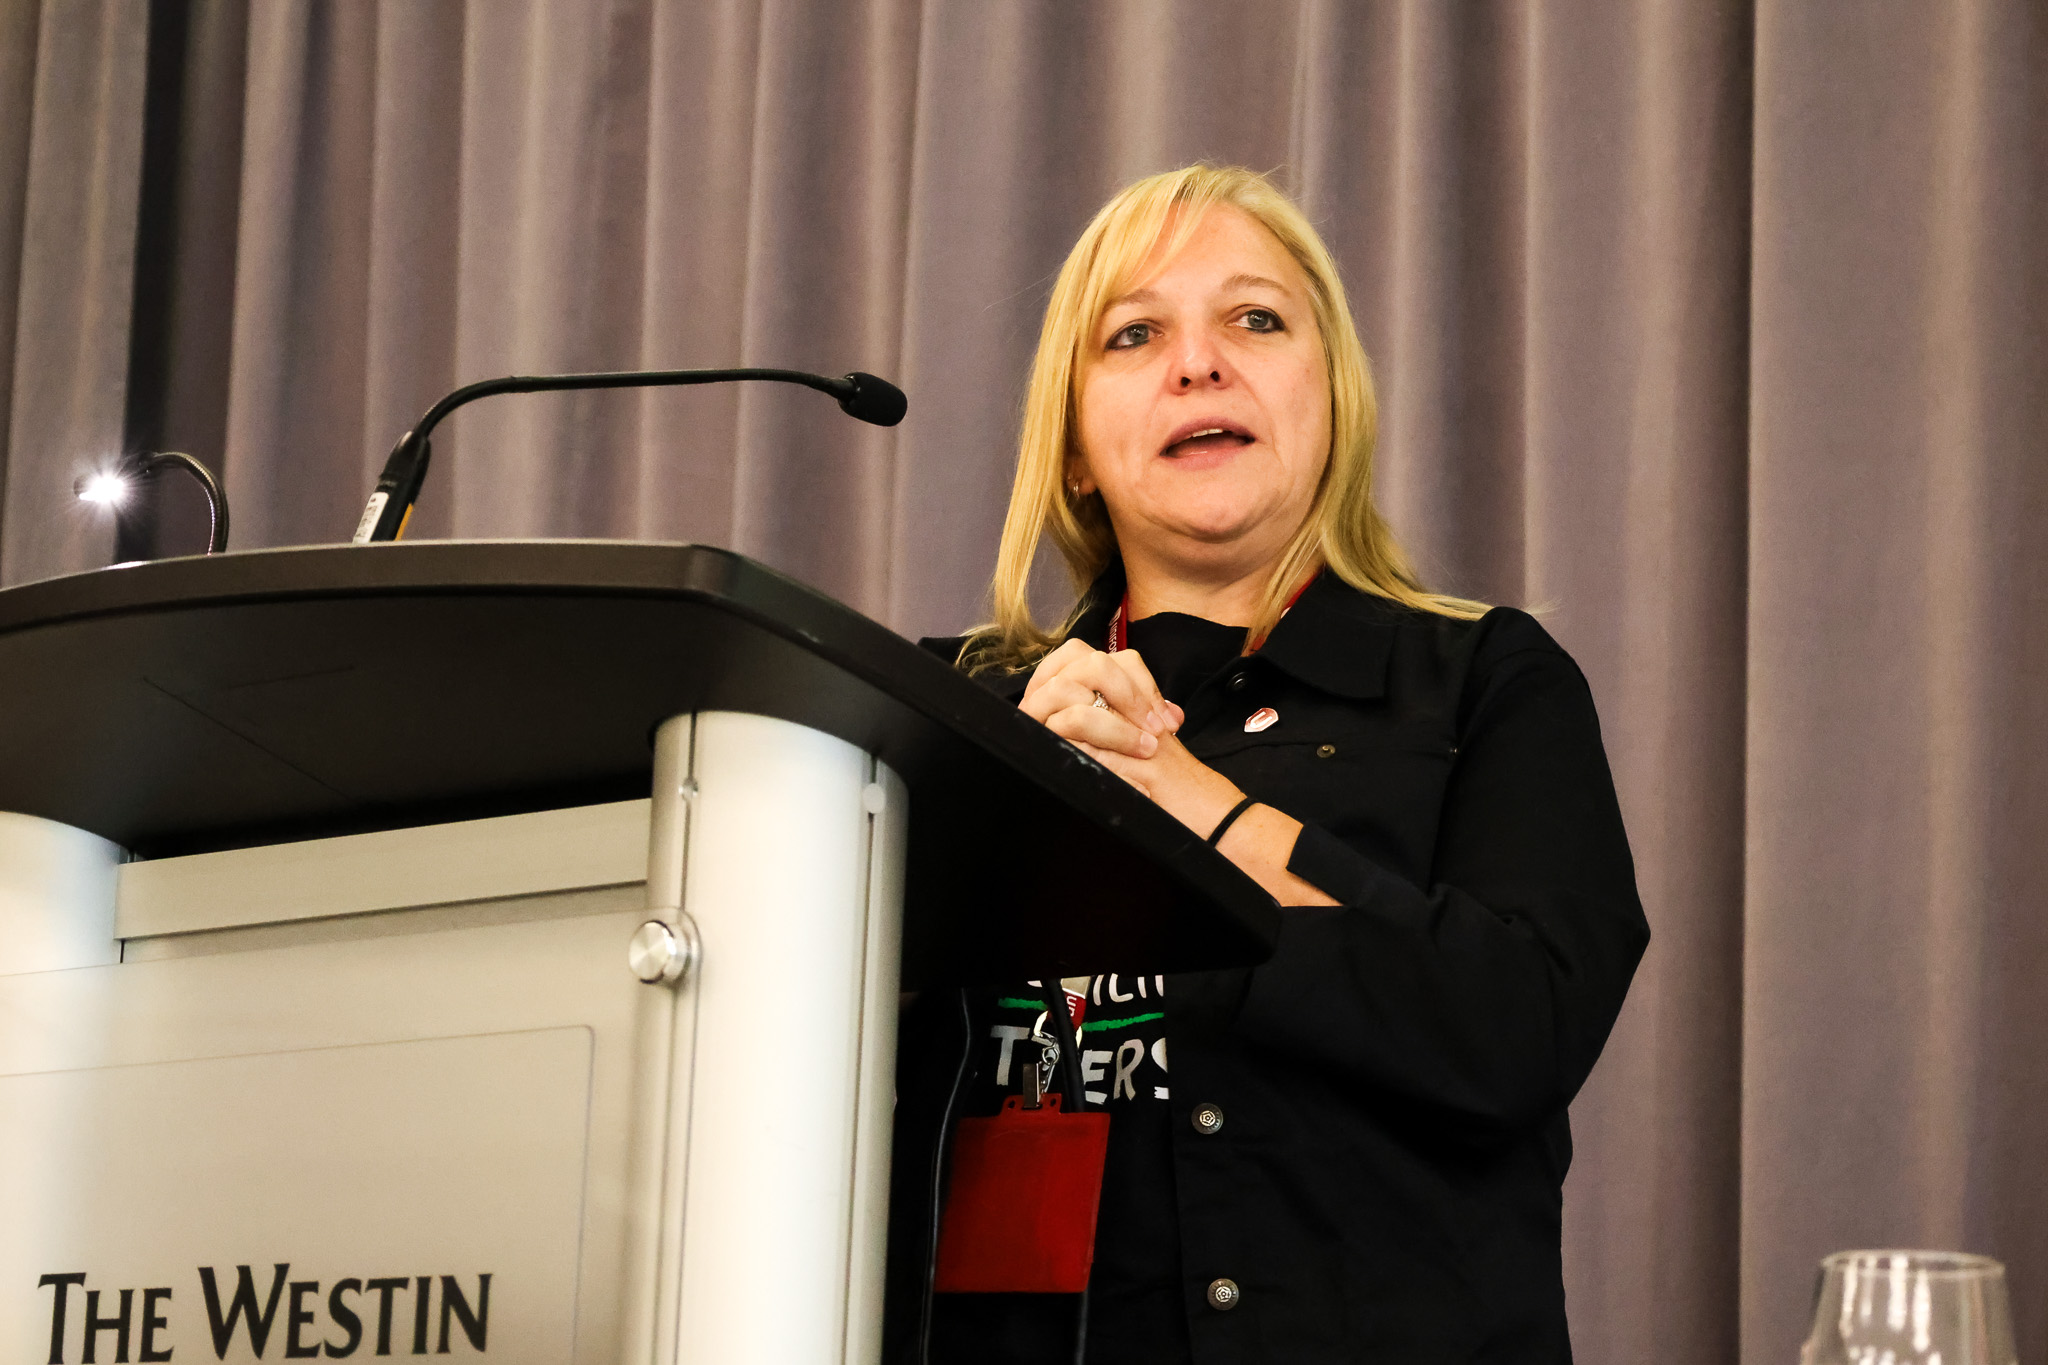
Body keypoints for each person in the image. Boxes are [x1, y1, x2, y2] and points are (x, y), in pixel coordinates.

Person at [886, 165, 1648, 1365]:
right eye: (1134, 335)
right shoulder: (954, 714)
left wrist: (1177, 799)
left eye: (1254, 319)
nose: (1197, 362)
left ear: (1330, 396)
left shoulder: (1485, 682)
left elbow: (1514, 1032)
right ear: (1076, 446)